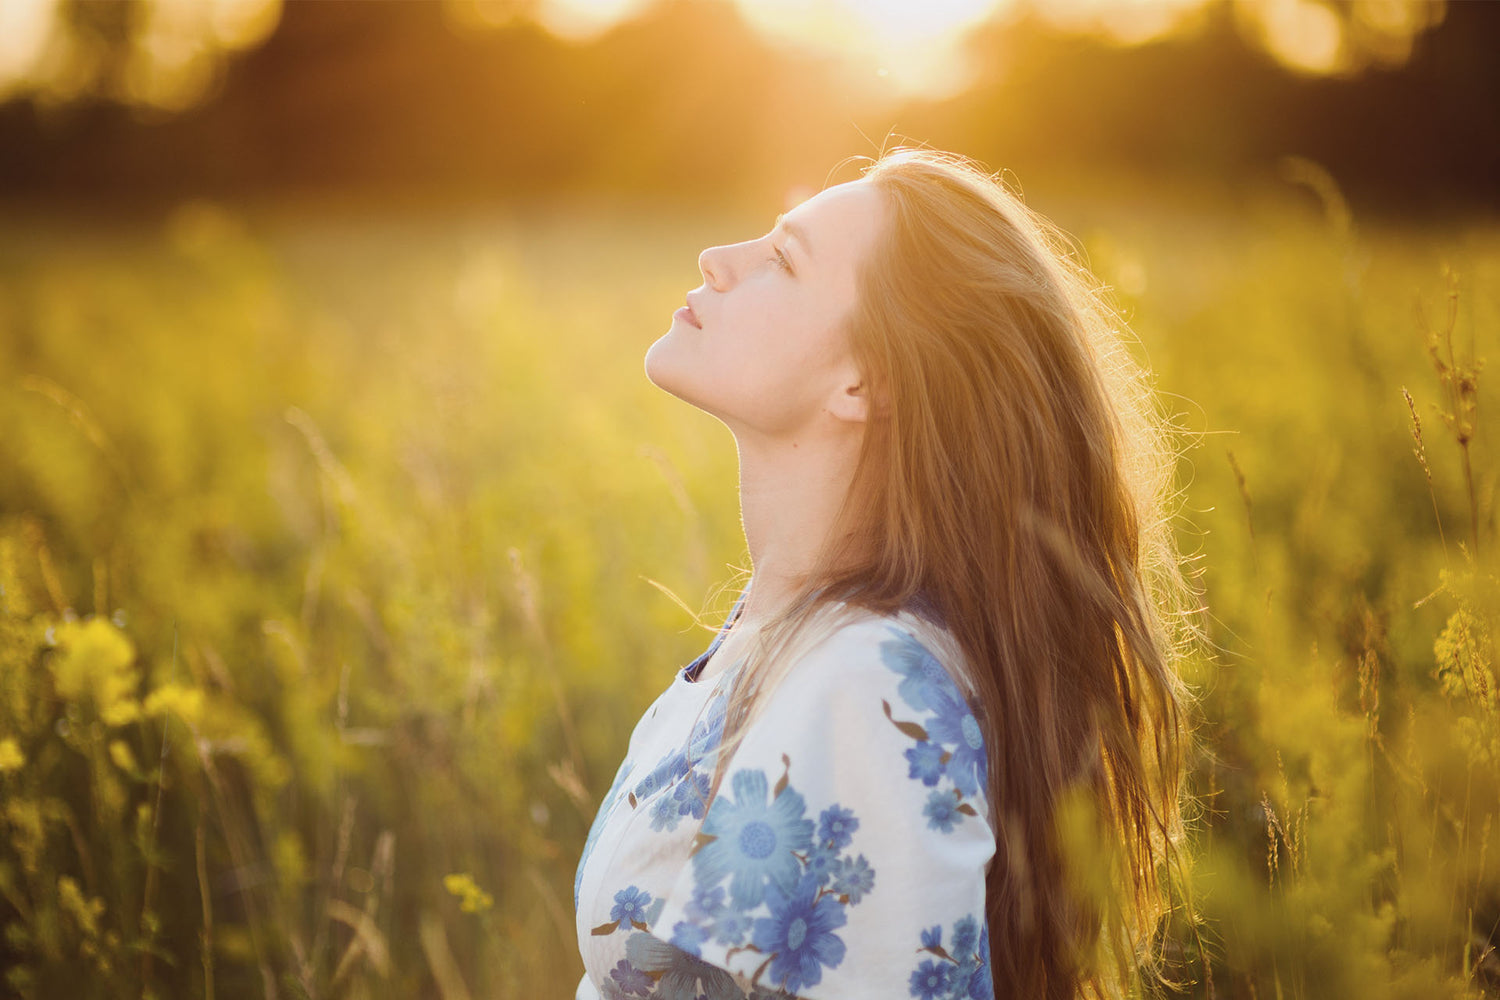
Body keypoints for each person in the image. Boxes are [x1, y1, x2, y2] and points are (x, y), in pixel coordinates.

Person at [572, 147, 1201, 1000]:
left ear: (864, 381)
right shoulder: (788, 636)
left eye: (782, 260)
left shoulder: (871, 689)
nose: (718, 261)